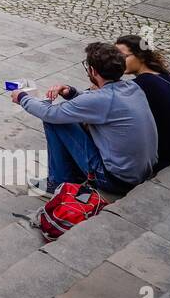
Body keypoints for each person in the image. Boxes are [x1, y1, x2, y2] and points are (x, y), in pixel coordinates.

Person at [13, 42, 158, 196]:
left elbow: (50, 113)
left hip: (115, 181)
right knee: (69, 118)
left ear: (93, 71)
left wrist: (22, 97)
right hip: (142, 172)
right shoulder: (133, 88)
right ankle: (71, 172)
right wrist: (71, 93)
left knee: (55, 121)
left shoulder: (102, 100)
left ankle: (58, 182)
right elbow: (96, 102)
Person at [115, 35, 170, 171]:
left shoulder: (142, 85)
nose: (117, 62)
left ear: (141, 57)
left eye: (123, 57)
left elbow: (107, 106)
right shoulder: (163, 73)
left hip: (164, 154)